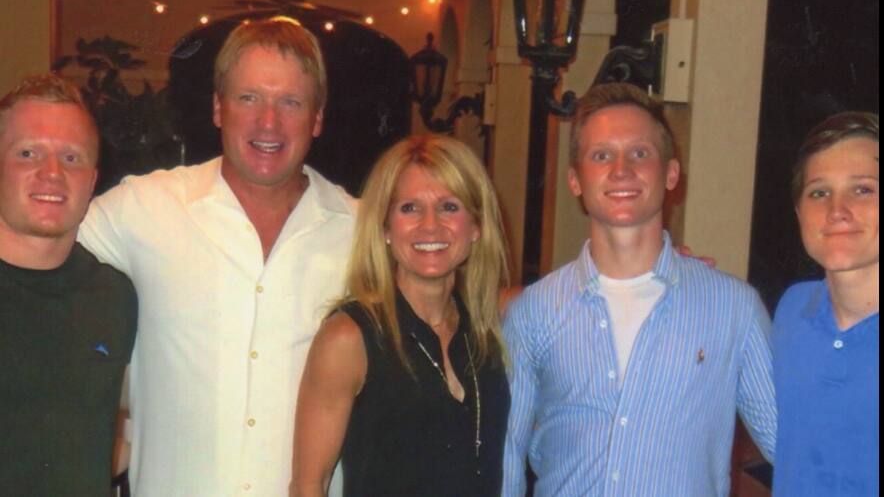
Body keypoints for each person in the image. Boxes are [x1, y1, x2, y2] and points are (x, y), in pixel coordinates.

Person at [78, 17, 355, 496]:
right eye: (249, 97)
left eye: (290, 102)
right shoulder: (145, 208)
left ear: (317, 118)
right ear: (218, 107)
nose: (268, 122)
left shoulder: (360, 231)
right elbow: (32, 246)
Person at [502, 82, 777, 497]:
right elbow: (507, 453)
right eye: (601, 155)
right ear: (575, 180)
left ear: (670, 173)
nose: (621, 169)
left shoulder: (733, 307)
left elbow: (788, 444)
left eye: (639, 153)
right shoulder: (533, 311)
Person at [292, 135, 511, 497]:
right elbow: (307, 486)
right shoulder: (349, 337)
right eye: (409, 208)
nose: (430, 225)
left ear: (477, 226)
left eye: (450, 207)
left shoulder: (488, 329)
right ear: (384, 228)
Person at [0, 74, 137, 495]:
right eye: (28, 153)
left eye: (72, 158)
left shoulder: (114, 297)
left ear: (93, 181)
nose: (52, 173)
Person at [772, 112, 879, 496]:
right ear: (800, 213)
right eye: (819, 192)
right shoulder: (792, 310)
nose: (837, 211)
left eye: (863, 189)